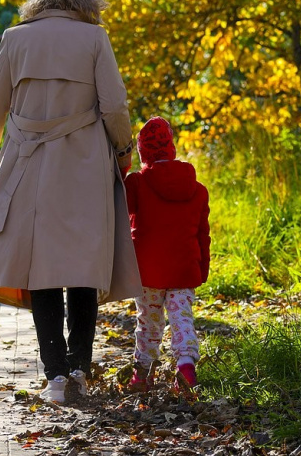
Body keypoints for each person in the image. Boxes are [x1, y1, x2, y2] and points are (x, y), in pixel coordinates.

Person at [0, 0, 142, 404]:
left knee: (39, 271)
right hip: (84, 165)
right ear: (85, 4)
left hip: (27, 163)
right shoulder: (94, 39)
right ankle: (80, 368)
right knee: (82, 268)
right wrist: (124, 152)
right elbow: (114, 105)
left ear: (41, 3)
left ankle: (56, 377)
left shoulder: (16, 38)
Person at [124, 117, 210, 396]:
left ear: (143, 153)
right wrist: (202, 270)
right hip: (184, 270)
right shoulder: (197, 190)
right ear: (171, 149)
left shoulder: (137, 183)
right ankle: (186, 368)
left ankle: (142, 375)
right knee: (182, 319)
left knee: (148, 322)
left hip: (148, 271)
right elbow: (203, 236)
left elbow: (120, 216)